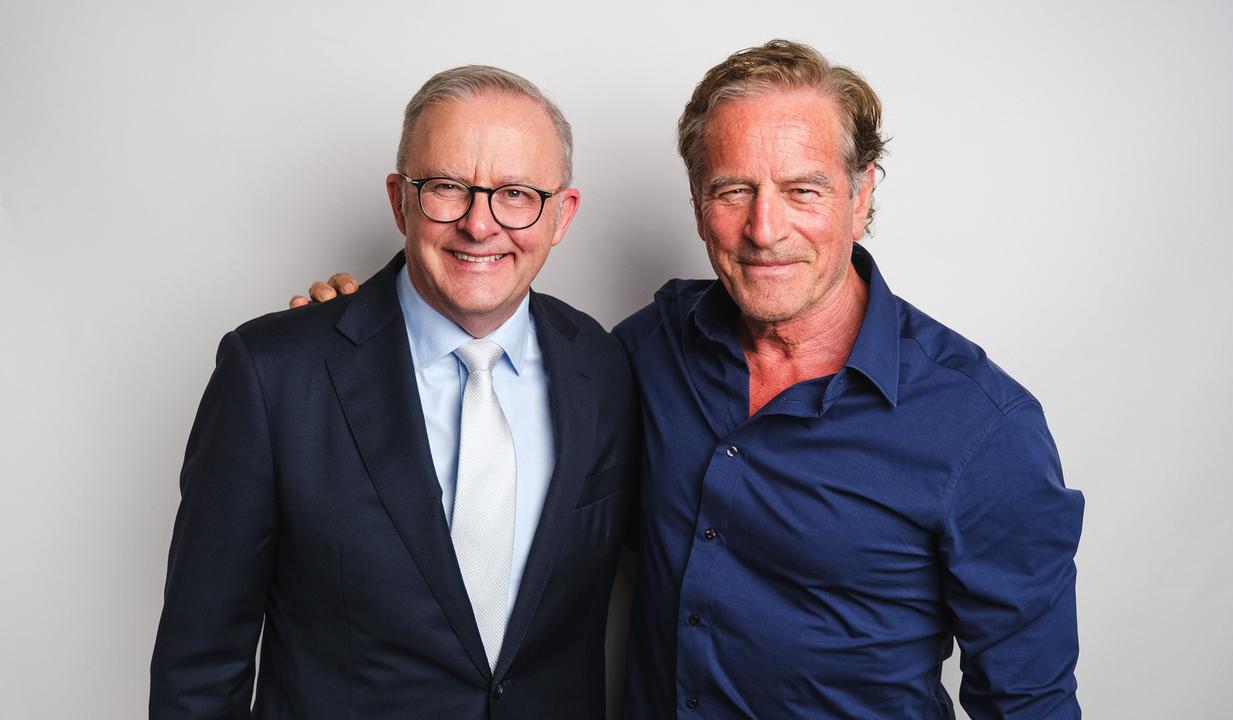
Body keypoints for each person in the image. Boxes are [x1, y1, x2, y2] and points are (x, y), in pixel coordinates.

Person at [304, 40, 1085, 719]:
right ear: (697, 202)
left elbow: (1029, 705)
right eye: (732, 190)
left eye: (802, 190)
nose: (764, 228)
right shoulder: (641, 355)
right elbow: (487, 374)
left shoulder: (983, 428)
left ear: (862, 192)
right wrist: (365, 330)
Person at [151, 66, 639, 720]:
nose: (479, 225)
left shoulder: (606, 366)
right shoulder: (273, 374)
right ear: (399, 199)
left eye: (516, 194)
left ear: (561, 215)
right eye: (446, 188)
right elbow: (201, 662)